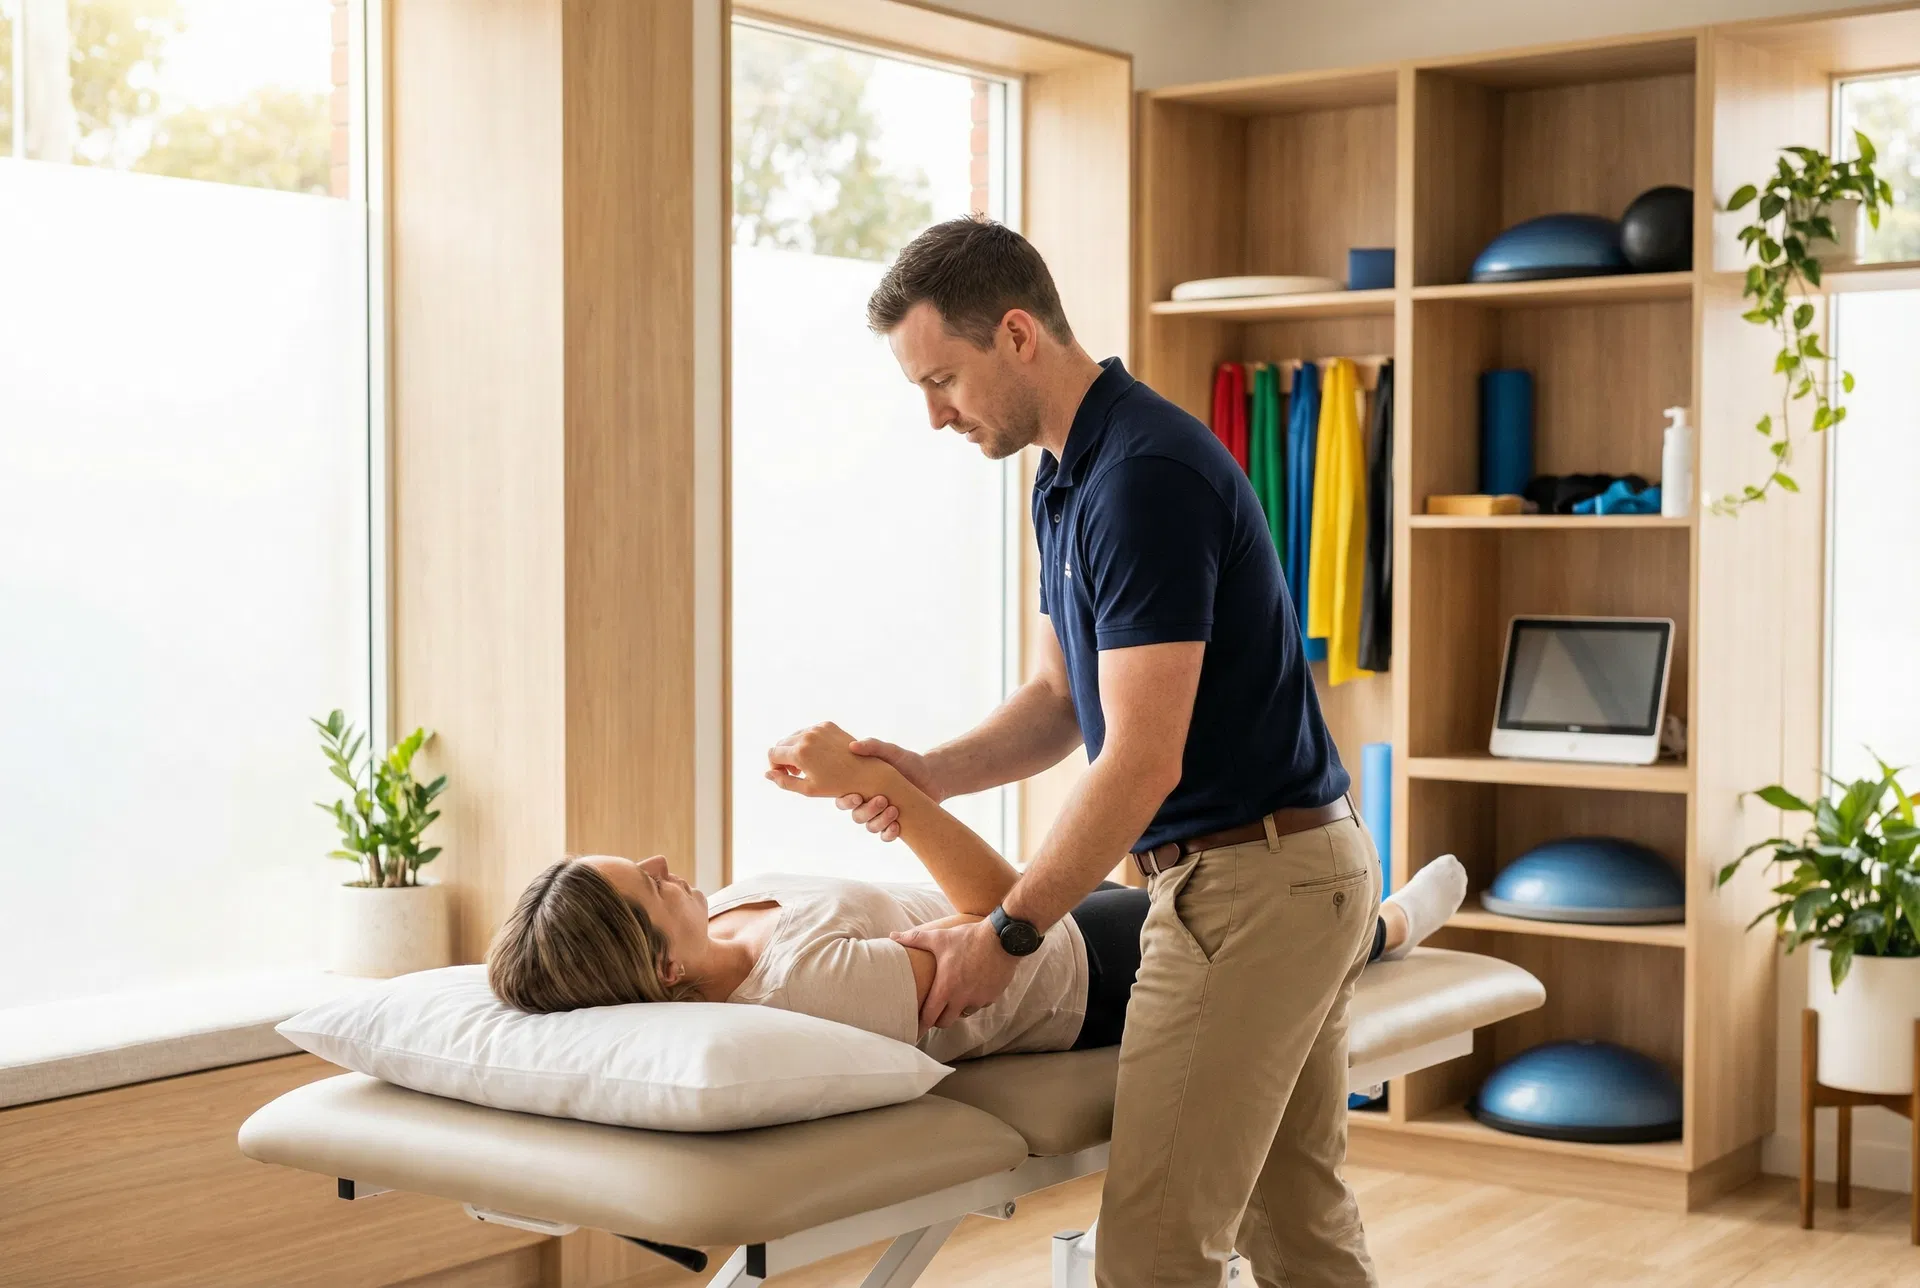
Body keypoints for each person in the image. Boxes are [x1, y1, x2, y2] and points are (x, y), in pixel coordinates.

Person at [827, 214, 1386, 1287]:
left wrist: (1012, 929)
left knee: (1154, 1254)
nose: (935, 415)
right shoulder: (1067, 478)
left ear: (1020, 336)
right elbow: (1060, 698)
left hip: (1251, 889)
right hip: (1288, 874)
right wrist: (926, 773)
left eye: (942, 380)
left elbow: (1140, 760)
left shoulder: (1144, 478)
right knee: (1299, 1225)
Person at [487, 722, 1468, 1069]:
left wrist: (886, 792)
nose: (664, 862)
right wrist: (901, 800)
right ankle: (1386, 928)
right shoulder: (802, 988)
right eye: (648, 885)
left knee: (1233, 913)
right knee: (1286, 942)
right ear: (660, 966)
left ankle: (1361, 918)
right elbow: (1010, 923)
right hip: (1091, 976)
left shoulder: (736, 915)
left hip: (1064, 918)